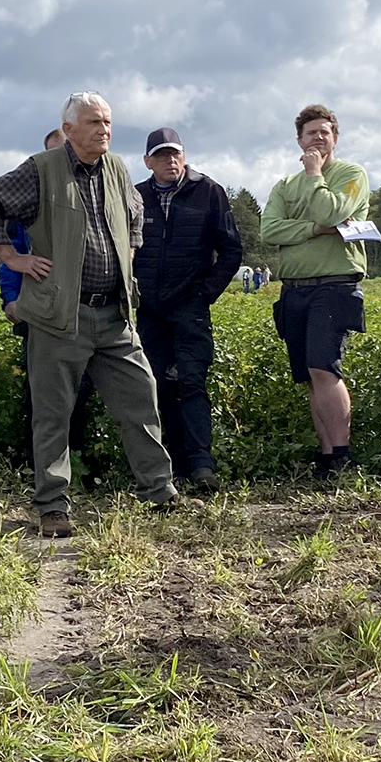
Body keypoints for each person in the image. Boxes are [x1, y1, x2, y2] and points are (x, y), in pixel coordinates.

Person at [0, 92, 186, 537]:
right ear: (68, 130)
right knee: (53, 413)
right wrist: (12, 258)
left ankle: (159, 491)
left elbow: (135, 212)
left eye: (107, 122)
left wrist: (127, 255)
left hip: (114, 315)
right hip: (58, 317)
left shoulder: (118, 168)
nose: (103, 130)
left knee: (141, 399)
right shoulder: (41, 170)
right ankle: (52, 506)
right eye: (92, 123)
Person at [260, 104, 369, 478]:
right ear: (299, 140)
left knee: (325, 368)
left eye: (325, 131)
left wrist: (315, 175)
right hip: (294, 289)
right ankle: (326, 456)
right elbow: (269, 230)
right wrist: (314, 230)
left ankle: (341, 455)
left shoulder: (351, 174)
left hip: (335, 284)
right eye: (311, 133)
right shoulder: (284, 186)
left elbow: (332, 213)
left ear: (335, 137)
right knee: (309, 374)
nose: (318, 137)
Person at [133, 127, 244, 492]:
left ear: (184, 156)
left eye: (175, 154)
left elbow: (231, 251)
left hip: (190, 307)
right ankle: (171, 467)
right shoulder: (135, 197)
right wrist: (135, 293)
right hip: (149, 310)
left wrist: (204, 294)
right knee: (158, 384)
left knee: (193, 381)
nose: (170, 161)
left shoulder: (208, 192)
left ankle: (201, 466)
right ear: (148, 161)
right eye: (162, 155)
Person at [1, 129, 99, 481]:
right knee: (41, 395)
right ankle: (37, 466)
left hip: (83, 312)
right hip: (41, 309)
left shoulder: (94, 192)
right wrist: (10, 298)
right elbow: (11, 247)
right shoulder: (32, 195)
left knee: (81, 390)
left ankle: (79, 461)